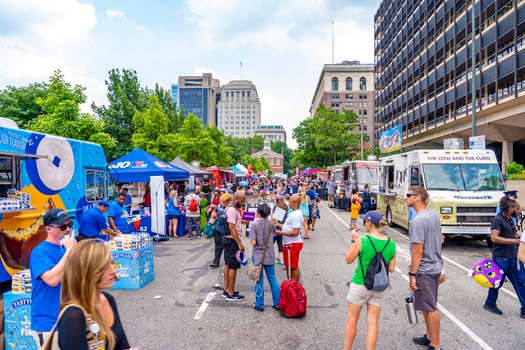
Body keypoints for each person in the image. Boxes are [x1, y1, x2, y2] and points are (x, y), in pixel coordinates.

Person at [57, 239, 138, 350]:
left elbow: (121, 344)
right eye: (105, 267)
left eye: (112, 263)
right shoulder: (73, 315)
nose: (113, 270)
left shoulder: (108, 299)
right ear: (88, 272)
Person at [344, 211, 396, 350]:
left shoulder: (363, 240)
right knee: (373, 322)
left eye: (365, 221)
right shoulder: (391, 243)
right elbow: (391, 268)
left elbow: (348, 260)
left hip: (361, 283)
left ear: (369, 223)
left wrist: (354, 240)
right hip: (379, 286)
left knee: (352, 319)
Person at [29, 208, 77, 347]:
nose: (67, 229)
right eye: (62, 226)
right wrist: (70, 251)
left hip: (68, 320)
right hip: (48, 323)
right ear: (48, 229)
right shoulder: (40, 252)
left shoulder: (64, 249)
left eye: (69, 225)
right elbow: (52, 280)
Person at [406, 186, 443, 350]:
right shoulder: (432, 215)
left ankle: (435, 345)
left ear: (418, 197)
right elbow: (441, 238)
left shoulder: (419, 220)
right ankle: (429, 336)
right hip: (435, 265)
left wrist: (412, 274)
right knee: (428, 305)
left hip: (425, 269)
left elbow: (418, 251)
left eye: (409, 195)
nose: (406, 197)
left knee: (430, 307)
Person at [484, 196, 525, 319]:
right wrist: (514, 241)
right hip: (501, 258)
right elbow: (494, 238)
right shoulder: (498, 220)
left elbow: (510, 236)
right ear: (510, 208)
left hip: (513, 258)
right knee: (497, 283)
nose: (519, 211)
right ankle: (490, 303)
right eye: (517, 209)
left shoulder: (511, 220)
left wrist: (517, 238)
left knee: (521, 283)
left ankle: (524, 308)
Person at [249, 203, 280, 311]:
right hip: (270, 254)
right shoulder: (271, 224)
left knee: (258, 279)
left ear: (258, 213)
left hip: (258, 255)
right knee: (272, 278)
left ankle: (259, 304)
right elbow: (275, 233)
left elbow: (253, 242)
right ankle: (277, 303)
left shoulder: (253, 224)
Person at [223, 190, 246, 301]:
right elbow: (232, 227)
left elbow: (234, 225)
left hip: (228, 240)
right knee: (233, 266)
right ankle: (231, 293)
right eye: (242, 201)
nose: (243, 203)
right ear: (236, 199)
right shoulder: (232, 210)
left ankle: (227, 289)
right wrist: (239, 243)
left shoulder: (230, 208)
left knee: (228, 264)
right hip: (232, 241)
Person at [275, 194, 303, 281]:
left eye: (290, 202)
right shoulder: (293, 213)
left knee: (293, 266)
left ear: (296, 203)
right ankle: (290, 283)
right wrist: (279, 225)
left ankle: (295, 285)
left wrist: (281, 232)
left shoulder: (296, 215)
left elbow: (295, 232)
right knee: (288, 265)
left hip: (293, 244)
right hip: (289, 243)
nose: (288, 203)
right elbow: (289, 226)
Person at [210, 193, 232, 268]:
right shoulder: (219, 206)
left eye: (224, 202)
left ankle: (228, 262)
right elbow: (213, 213)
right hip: (218, 229)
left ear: (228, 201)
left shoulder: (231, 208)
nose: (222, 203)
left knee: (227, 246)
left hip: (227, 230)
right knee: (218, 245)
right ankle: (216, 262)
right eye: (221, 201)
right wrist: (213, 215)